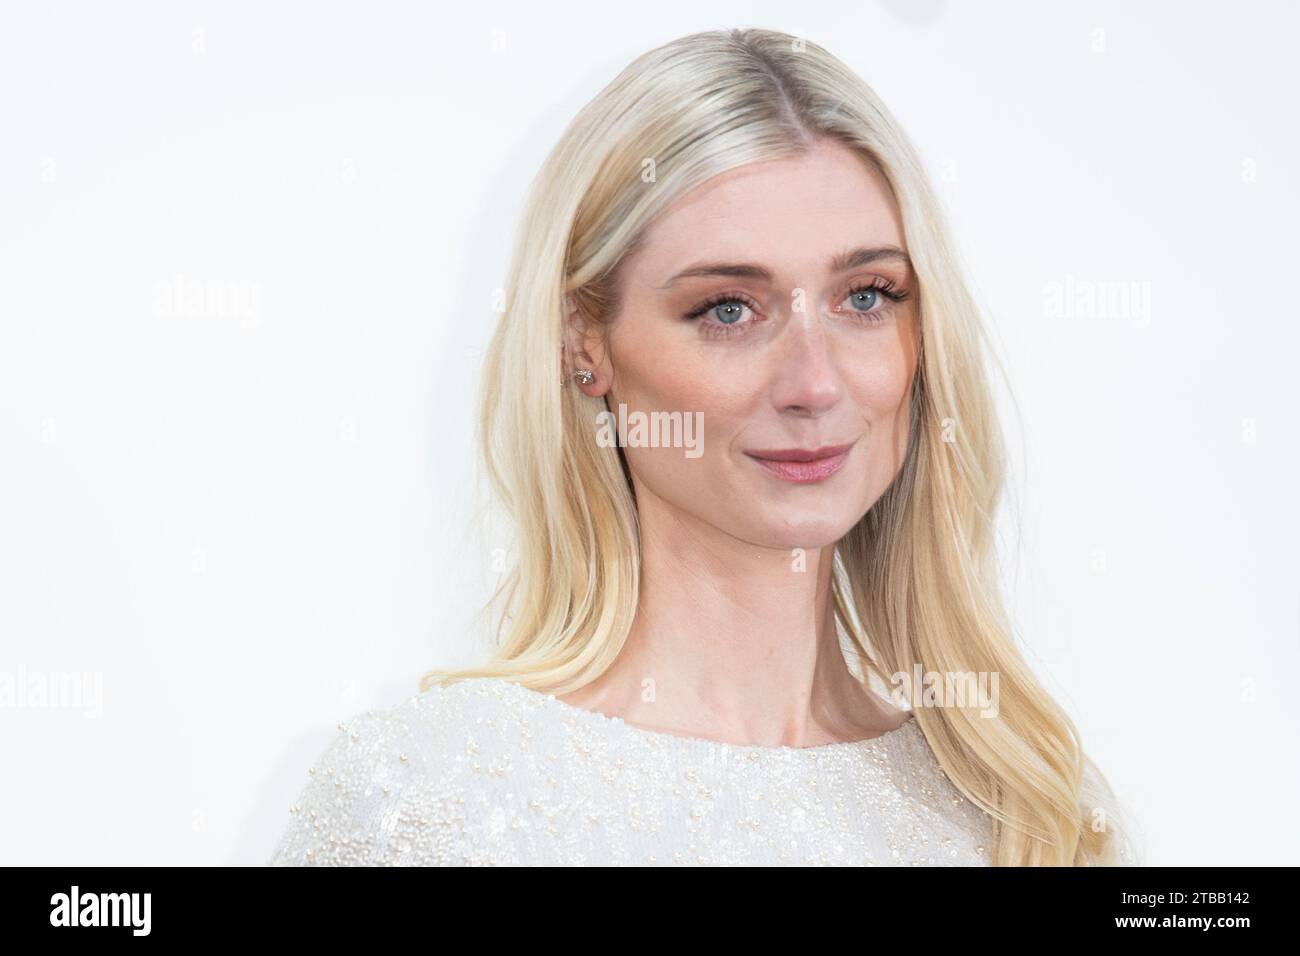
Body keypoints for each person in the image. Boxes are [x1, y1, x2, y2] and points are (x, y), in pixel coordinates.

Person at [269, 26, 1138, 866]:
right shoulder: (422, 805)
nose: (815, 383)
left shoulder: (1023, 815)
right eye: (728, 308)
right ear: (586, 346)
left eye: (867, 297)